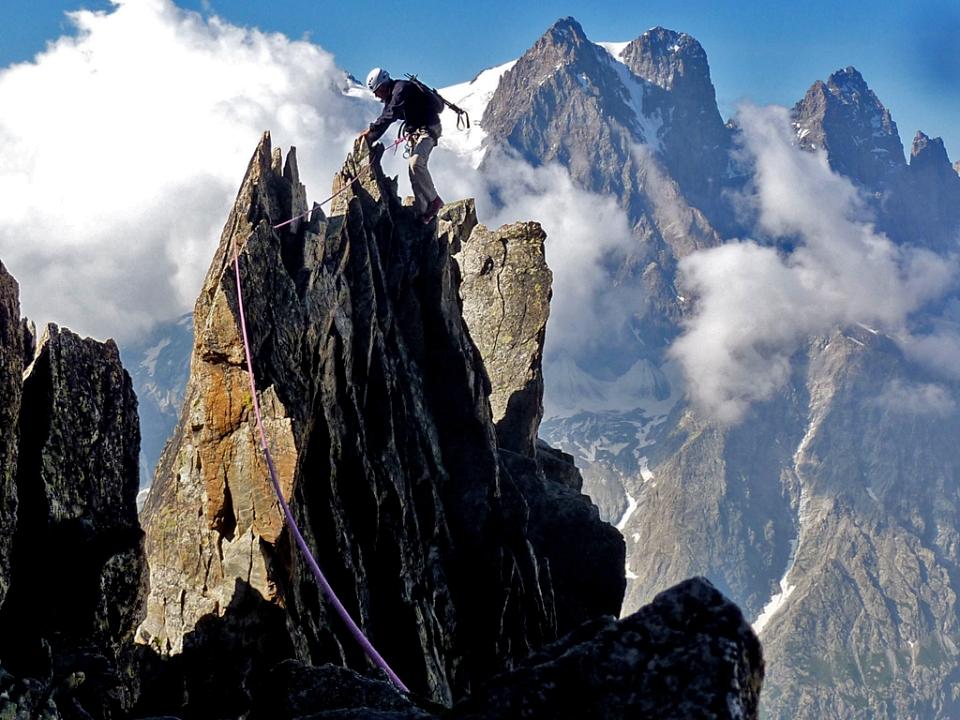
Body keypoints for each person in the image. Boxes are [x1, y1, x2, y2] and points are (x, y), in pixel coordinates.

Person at [359, 68, 444, 224]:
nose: (376, 96)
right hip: (417, 133)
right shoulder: (392, 95)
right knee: (413, 173)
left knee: (416, 163)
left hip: (429, 130)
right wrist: (369, 139)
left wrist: (370, 130)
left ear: (383, 85)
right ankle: (423, 212)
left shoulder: (401, 90)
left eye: (377, 91)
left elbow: (389, 115)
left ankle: (434, 201)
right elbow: (385, 118)